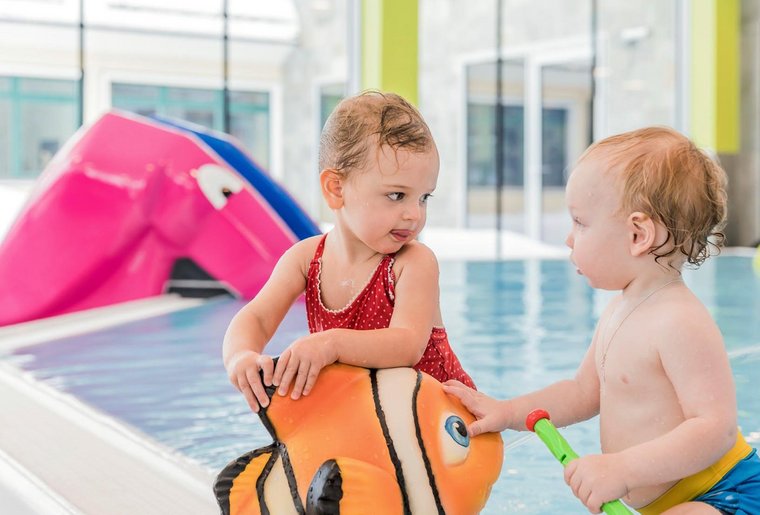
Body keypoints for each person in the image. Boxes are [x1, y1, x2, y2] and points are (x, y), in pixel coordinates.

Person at [444, 127, 760, 514]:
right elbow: (581, 392)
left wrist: (623, 468)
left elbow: (716, 428)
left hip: (725, 494)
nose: (569, 239)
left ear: (638, 234)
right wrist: (508, 411)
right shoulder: (620, 309)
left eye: (580, 222)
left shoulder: (680, 320)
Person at [223, 90, 474, 415]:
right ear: (336, 189)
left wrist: (331, 343)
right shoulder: (305, 260)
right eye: (397, 195)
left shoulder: (412, 263)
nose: (415, 213)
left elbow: (406, 345)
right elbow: (256, 316)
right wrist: (241, 356)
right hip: (373, 420)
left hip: (444, 423)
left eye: (424, 197)